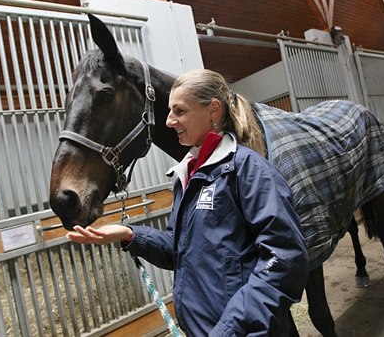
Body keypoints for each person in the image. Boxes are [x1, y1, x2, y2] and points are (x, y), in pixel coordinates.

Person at [67, 69, 309, 336]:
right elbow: (180, 249)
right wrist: (130, 234)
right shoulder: (189, 173)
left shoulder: (249, 171)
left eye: (179, 111)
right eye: (170, 111)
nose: (169, 121)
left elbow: (285, 259)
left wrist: (230, 330)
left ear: (213, 111)